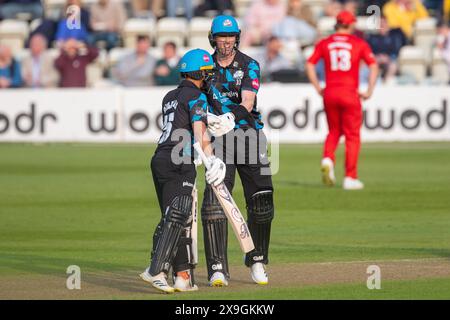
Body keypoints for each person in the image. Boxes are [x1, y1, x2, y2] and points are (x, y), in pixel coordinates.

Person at [139, 48, 226, 293]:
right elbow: (199, 134)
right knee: (177, 217)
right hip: (179, 161)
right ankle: (156, 270)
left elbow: (182, 124)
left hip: (160, 158)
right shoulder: (198, 97)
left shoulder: (169, 95)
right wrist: (212, 161)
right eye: (207, 73)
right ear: (198, 73)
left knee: (174, 218)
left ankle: (182, 277)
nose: (209, 77)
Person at [200, 15, 275, 287]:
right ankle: (217, 267)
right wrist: (207, 126)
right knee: (214, 203)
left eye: (230, 36)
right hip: (219, 141)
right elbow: (196, 104)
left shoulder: (249, 65)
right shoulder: (204, 68)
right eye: (221, 36)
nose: (226, 41)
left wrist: (230, 117)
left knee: (262, 202)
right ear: (213, 37)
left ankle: (257, 259)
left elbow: (248, 100)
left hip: (249, 136)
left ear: (237, 37)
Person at [306, 10, 379, 190]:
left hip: (330, 92)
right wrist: (369, 90)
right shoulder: (358, 43)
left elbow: (309, 63)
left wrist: (317, 87)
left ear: (336, 24)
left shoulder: (325, 43)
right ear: (351, 25)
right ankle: (350, 177)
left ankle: (328, 158)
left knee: (334, 131)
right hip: (350, 93)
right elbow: (374, 65)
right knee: (352, 135)